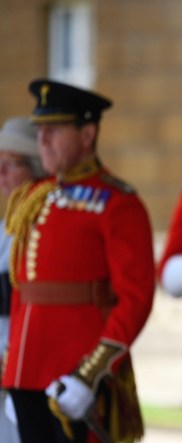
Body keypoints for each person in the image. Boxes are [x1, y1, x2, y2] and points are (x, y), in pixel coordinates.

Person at [1, 80, 154, 443]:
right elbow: (23, 290)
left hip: (78, 373)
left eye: (54, 130)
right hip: (26, 371)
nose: (43, 139)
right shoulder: (33, 197)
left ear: (87, 133)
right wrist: (13, 367)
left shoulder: (118, 202)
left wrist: (92, 372)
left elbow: (135, 299)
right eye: (41, 130)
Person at [0, 116, 48, 443]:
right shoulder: (7, 225)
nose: (1, 174)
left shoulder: (48, 223)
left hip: (29, 364)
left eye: (10, 164)